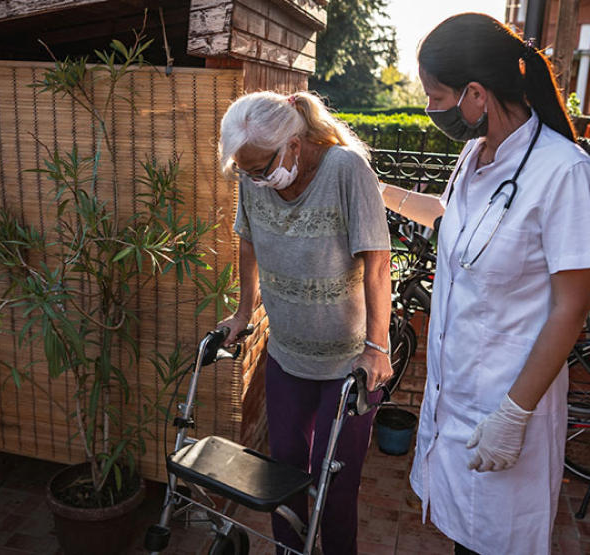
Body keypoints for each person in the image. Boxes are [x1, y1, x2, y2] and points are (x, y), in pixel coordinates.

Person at [381, 13, 590, 555]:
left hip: (507, 406)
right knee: (463, 541)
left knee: (494, 545)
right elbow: (452, 222)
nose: (430, 110)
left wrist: (513, 415)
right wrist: (375, 186)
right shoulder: (476, 156)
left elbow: (572, 306)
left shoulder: (562, 170)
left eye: (435, 96)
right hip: (457, 403)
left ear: (475, 94)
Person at [217, 90, 392, 555]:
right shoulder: (254, 177)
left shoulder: (346, 170)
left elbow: (377, 262)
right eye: (245, 170)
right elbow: (248, 241)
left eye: (260, 167)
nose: (254, 179)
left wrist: (378, 346)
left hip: (349, 366)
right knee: (284, 478)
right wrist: (242, 311)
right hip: (287, 354)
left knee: (335, 489)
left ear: (293, 144)